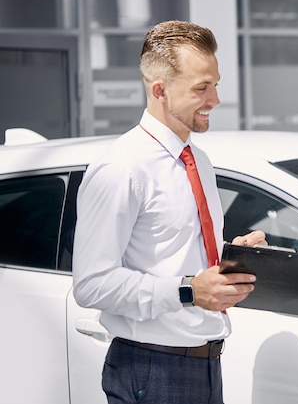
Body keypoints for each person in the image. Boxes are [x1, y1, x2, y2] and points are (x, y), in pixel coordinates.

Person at [72, 20, 266, 404]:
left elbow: (174, 249)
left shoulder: (200, 161)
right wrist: (188, 290)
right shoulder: (122, 168)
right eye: (201, 89)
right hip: (151, 370)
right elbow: (91, 284)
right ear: (159, 90)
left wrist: (233, 255)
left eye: (215, 84)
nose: (215, 100)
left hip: (206, 366)